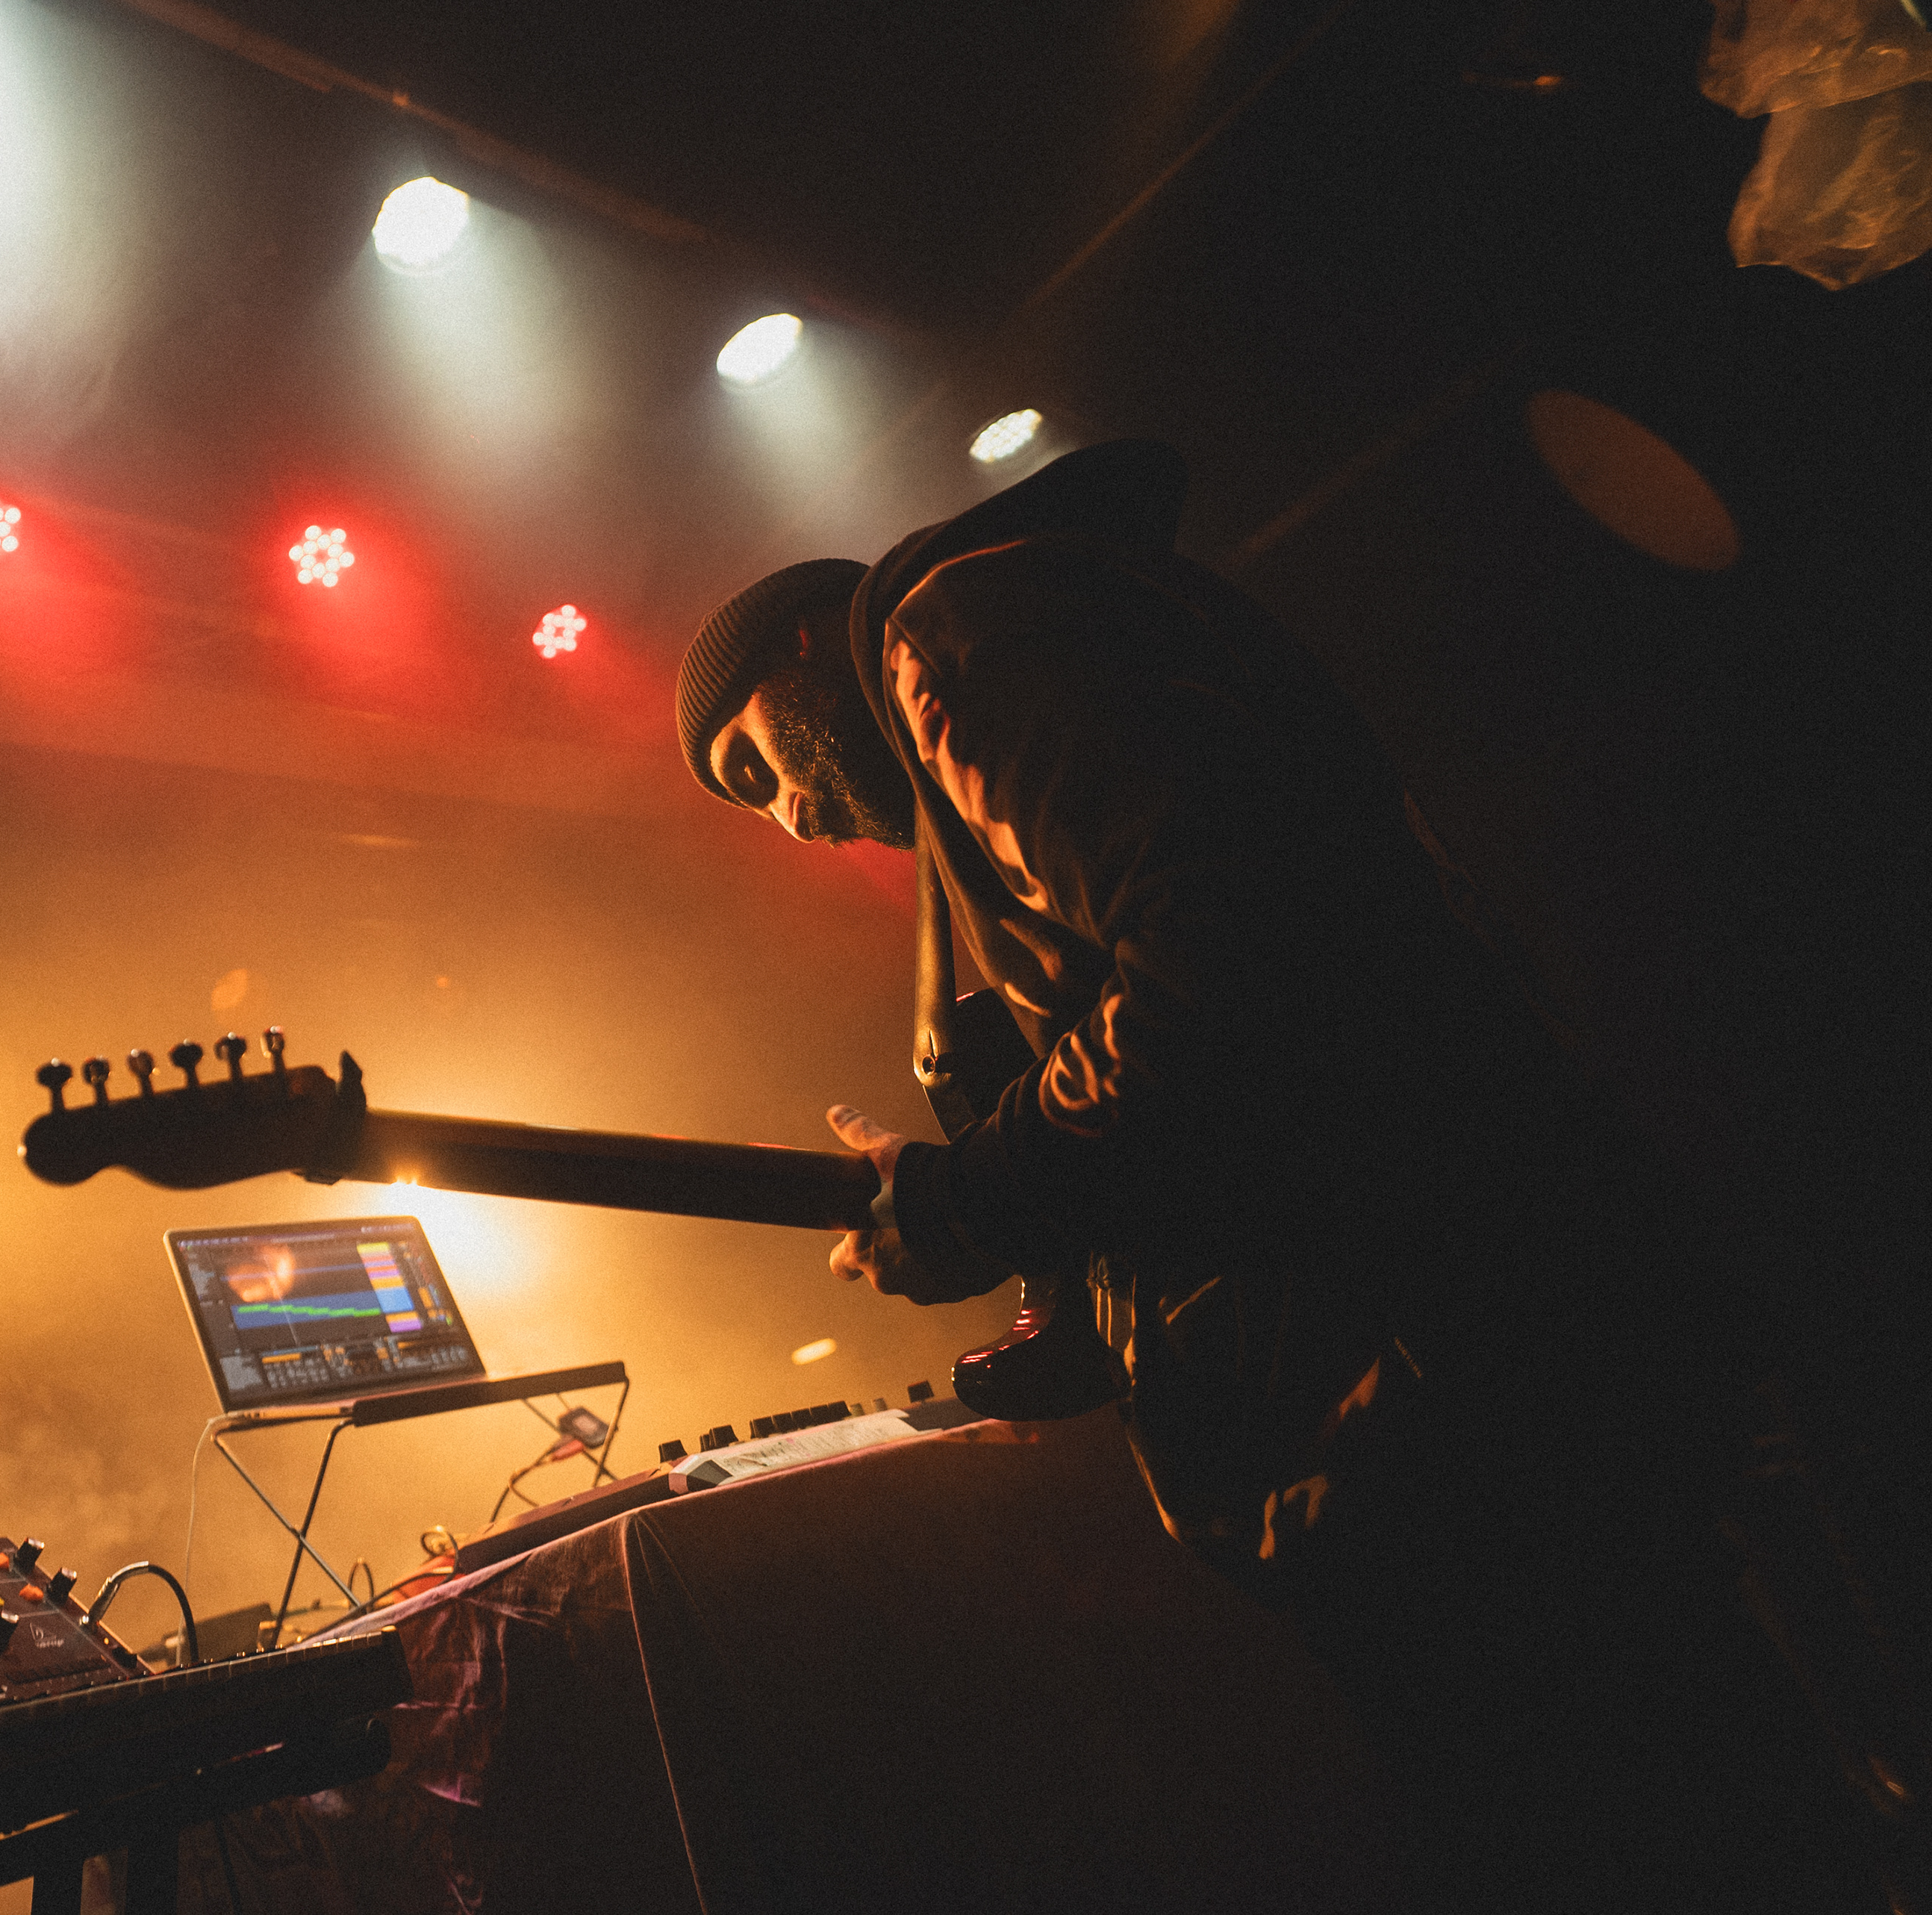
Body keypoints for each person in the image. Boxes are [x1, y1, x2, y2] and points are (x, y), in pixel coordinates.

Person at [676, 442, 1845, 1913]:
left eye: (755, 766)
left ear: (803, 644)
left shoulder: (955, 636)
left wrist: (978, 1192)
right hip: (1448, 1350)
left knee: (1627, 1821)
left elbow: (1219, 967)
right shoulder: (1025, 650)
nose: (788, 817)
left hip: (1434, 1372)